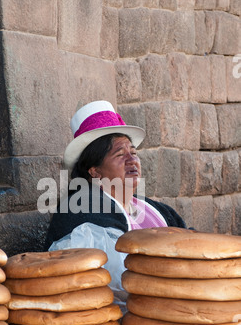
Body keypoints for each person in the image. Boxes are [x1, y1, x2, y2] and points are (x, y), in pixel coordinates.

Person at [44, 100, 187, 311]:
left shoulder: (157, 211)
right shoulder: (82, 210)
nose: (132, 160)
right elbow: (119, 279)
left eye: (134, 153)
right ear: (94, 171)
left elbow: (192, 244)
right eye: (120, 154)